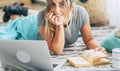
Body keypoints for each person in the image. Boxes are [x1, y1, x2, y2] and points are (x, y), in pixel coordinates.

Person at [37, 0, 108, 55]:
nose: (57, 11)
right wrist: (59, 25)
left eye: (62, 4)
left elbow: (89, 40)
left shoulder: (80, 13)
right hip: (37, 32)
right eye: (53, 4)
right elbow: (57, 51)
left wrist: (97, 48)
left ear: (71, 7)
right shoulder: (42, 15)